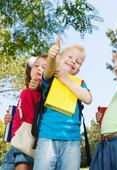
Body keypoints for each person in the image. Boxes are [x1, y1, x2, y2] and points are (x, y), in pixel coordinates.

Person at [31, 37, 92, 170]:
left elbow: (88, 99)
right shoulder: (51, 76)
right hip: (47, 137)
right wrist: (51, 57)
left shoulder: (80, 83)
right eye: (69, 57)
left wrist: (67, 80)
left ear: (77, 70)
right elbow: (49, 69)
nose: (72, 61)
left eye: (77, 62)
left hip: (72, 139)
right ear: (59, 59)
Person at [1, 54, 47, 170]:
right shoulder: (25, 92)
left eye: (44, 67)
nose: (39, 68)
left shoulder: (43, 90)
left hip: (27, 143)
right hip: (16, 142)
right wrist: (9, 119)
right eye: (36, 66)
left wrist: (40, 85)